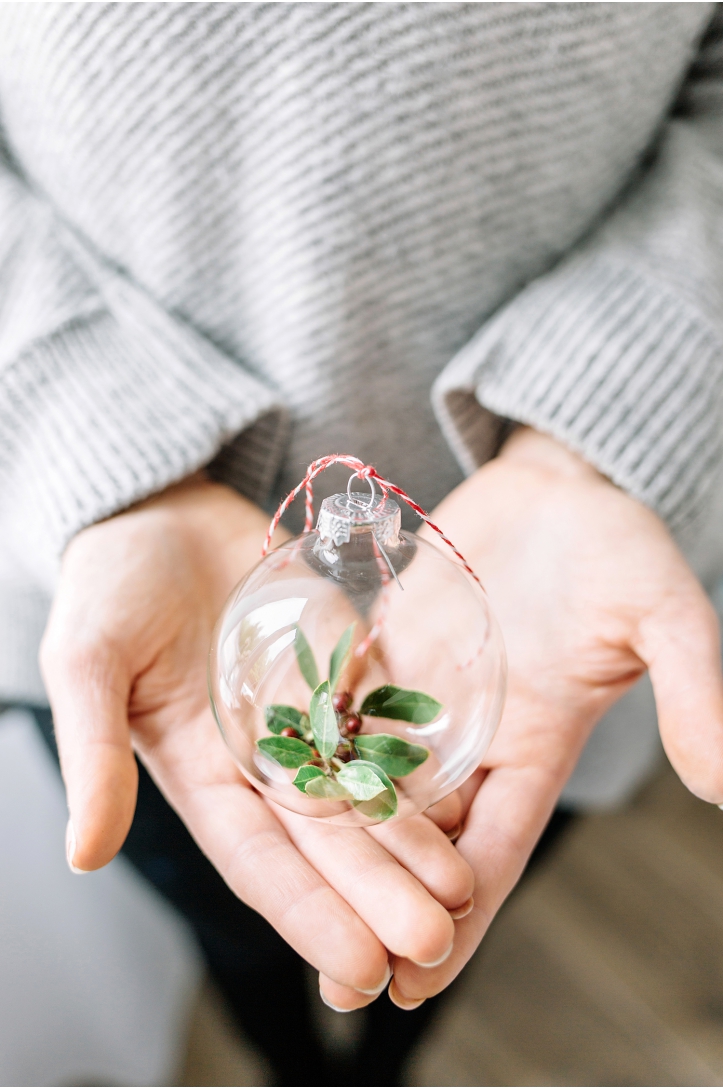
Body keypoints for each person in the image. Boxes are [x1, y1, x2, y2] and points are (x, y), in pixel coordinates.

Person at [4, 3, 723, 1084]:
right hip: (110, 575)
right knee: (235, 912)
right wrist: (95, 435)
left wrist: (598, 421)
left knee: (445, 899)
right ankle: (287, 1055)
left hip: (550, 601)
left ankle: (384, 1058)